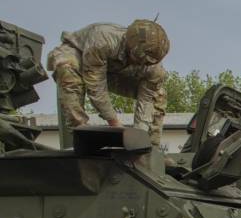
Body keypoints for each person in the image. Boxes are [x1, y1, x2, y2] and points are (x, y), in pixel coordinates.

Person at [47, 20, 169, 148]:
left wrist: (138, 138)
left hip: (113, 71)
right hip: (80, 55)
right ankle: (82, 137)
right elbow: (96, 85)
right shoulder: (103, 39)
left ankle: (151, 149)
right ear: (130, 45)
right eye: (138, 58)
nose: (142, 64)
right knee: (67, 66)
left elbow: (146, 101)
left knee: (158, 94)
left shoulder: (154, 68)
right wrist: (115, 124)